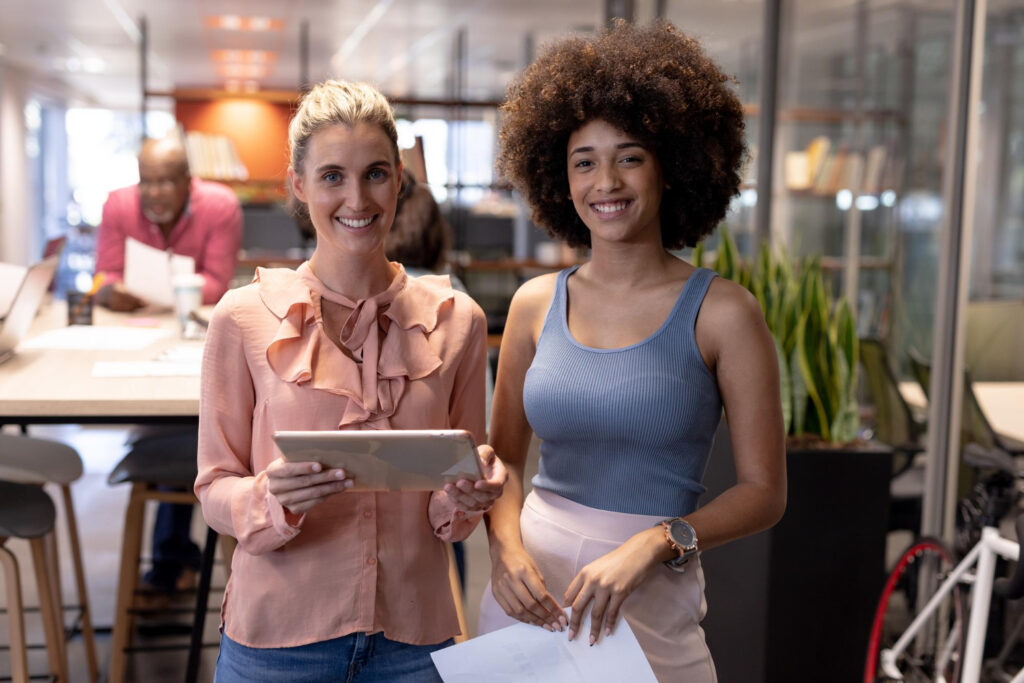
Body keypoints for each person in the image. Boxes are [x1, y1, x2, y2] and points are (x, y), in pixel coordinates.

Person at [478, 20, 787, 682]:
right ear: (558, 178)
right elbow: (501, 456)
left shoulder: (724, 312)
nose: (606, 181)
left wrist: (660, 538)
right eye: (583, 160)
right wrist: (503, 553)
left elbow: (765, 491)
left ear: (671, 166)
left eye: (629, 156)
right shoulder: (535, 304)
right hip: (529, 604)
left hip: (649, 604)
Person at [195, 79, 507, 682]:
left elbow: (454, 502)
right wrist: (268, 498)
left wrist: (466, 496)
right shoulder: (243, 317)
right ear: (299, 184)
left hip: (415, 642)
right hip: (279, 642)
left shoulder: (457, 321)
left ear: (399, 182)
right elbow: (214, 487)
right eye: (332, 175)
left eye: (376, 173)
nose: (356, 198)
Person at [94, 136, 243, 597]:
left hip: (197, 342)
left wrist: (152, 290)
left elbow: (216, 285)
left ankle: (172, 562)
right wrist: (109, 290)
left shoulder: (220, 206)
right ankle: (176, 559)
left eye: (164, 182)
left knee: (192, 429)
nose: (153, 193)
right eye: (146, 182)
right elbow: (104, 276)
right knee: (170, 430)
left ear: (187, 181)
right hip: (137, 338)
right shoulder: (118, 206)